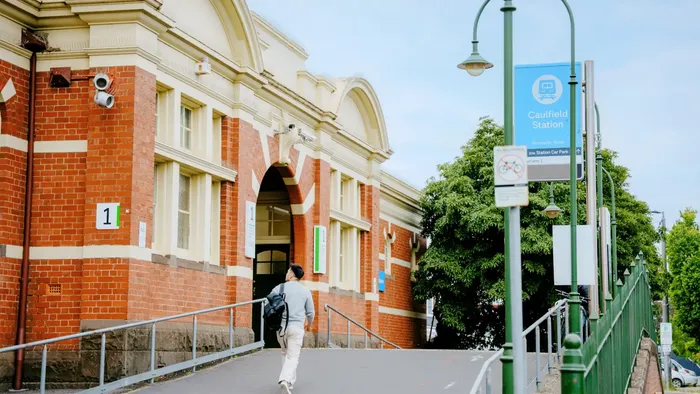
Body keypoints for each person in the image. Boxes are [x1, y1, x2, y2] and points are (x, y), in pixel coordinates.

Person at [268, 263, 315, 393]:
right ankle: (285, 379)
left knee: (285, 352)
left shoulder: (280, 288)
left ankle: (290, 383)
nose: (286, 273)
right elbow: (311, 312)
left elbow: (268, 302)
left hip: (281, 328)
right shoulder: (305, 290)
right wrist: (309, 324)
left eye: (288, 271)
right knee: (293, 356)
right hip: (296, 327)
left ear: (292, 275)